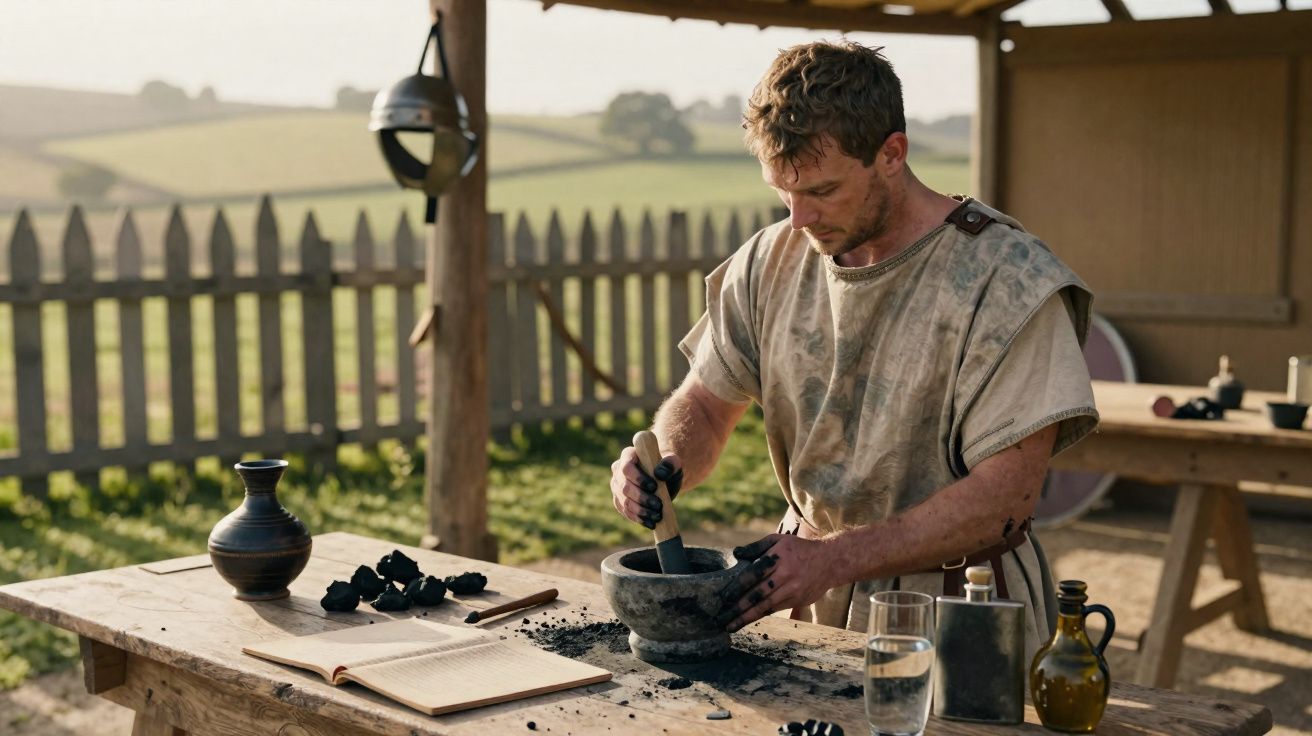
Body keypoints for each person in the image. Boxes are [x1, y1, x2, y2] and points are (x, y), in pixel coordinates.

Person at [608, 41, 1098, 657]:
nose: (799, 219)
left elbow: (1005, 498)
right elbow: (706, 406)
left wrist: (836, 558)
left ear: (892, 153)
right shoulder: (770, 260)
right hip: (807, 603)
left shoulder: (1006, 278)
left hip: (962, 609)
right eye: (783, 192)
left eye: (822, 190)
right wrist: (663, 464)